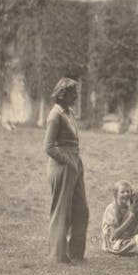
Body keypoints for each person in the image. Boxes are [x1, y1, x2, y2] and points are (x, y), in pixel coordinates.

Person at [43, 77, 89, 263]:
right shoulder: (55, 115)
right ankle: (58, 256)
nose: (76, 97)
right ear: (63, 94)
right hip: (61, 166)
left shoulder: (69, 113)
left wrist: (76, 162)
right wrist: (69, 161)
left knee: (82, 209)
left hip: (75, 163)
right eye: (73, 93)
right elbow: (48, 147)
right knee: (62, 211)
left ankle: (76, 253)